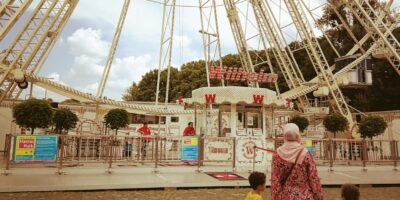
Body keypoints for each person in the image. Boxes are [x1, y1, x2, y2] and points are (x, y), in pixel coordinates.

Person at [270, 123, 323, 200]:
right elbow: (314, 179)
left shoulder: (277, 155)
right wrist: (318, 196)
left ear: (284, 136)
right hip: (305, 196)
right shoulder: (305, 154)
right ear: (298, 136)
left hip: (285, 196)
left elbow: (275, 181)